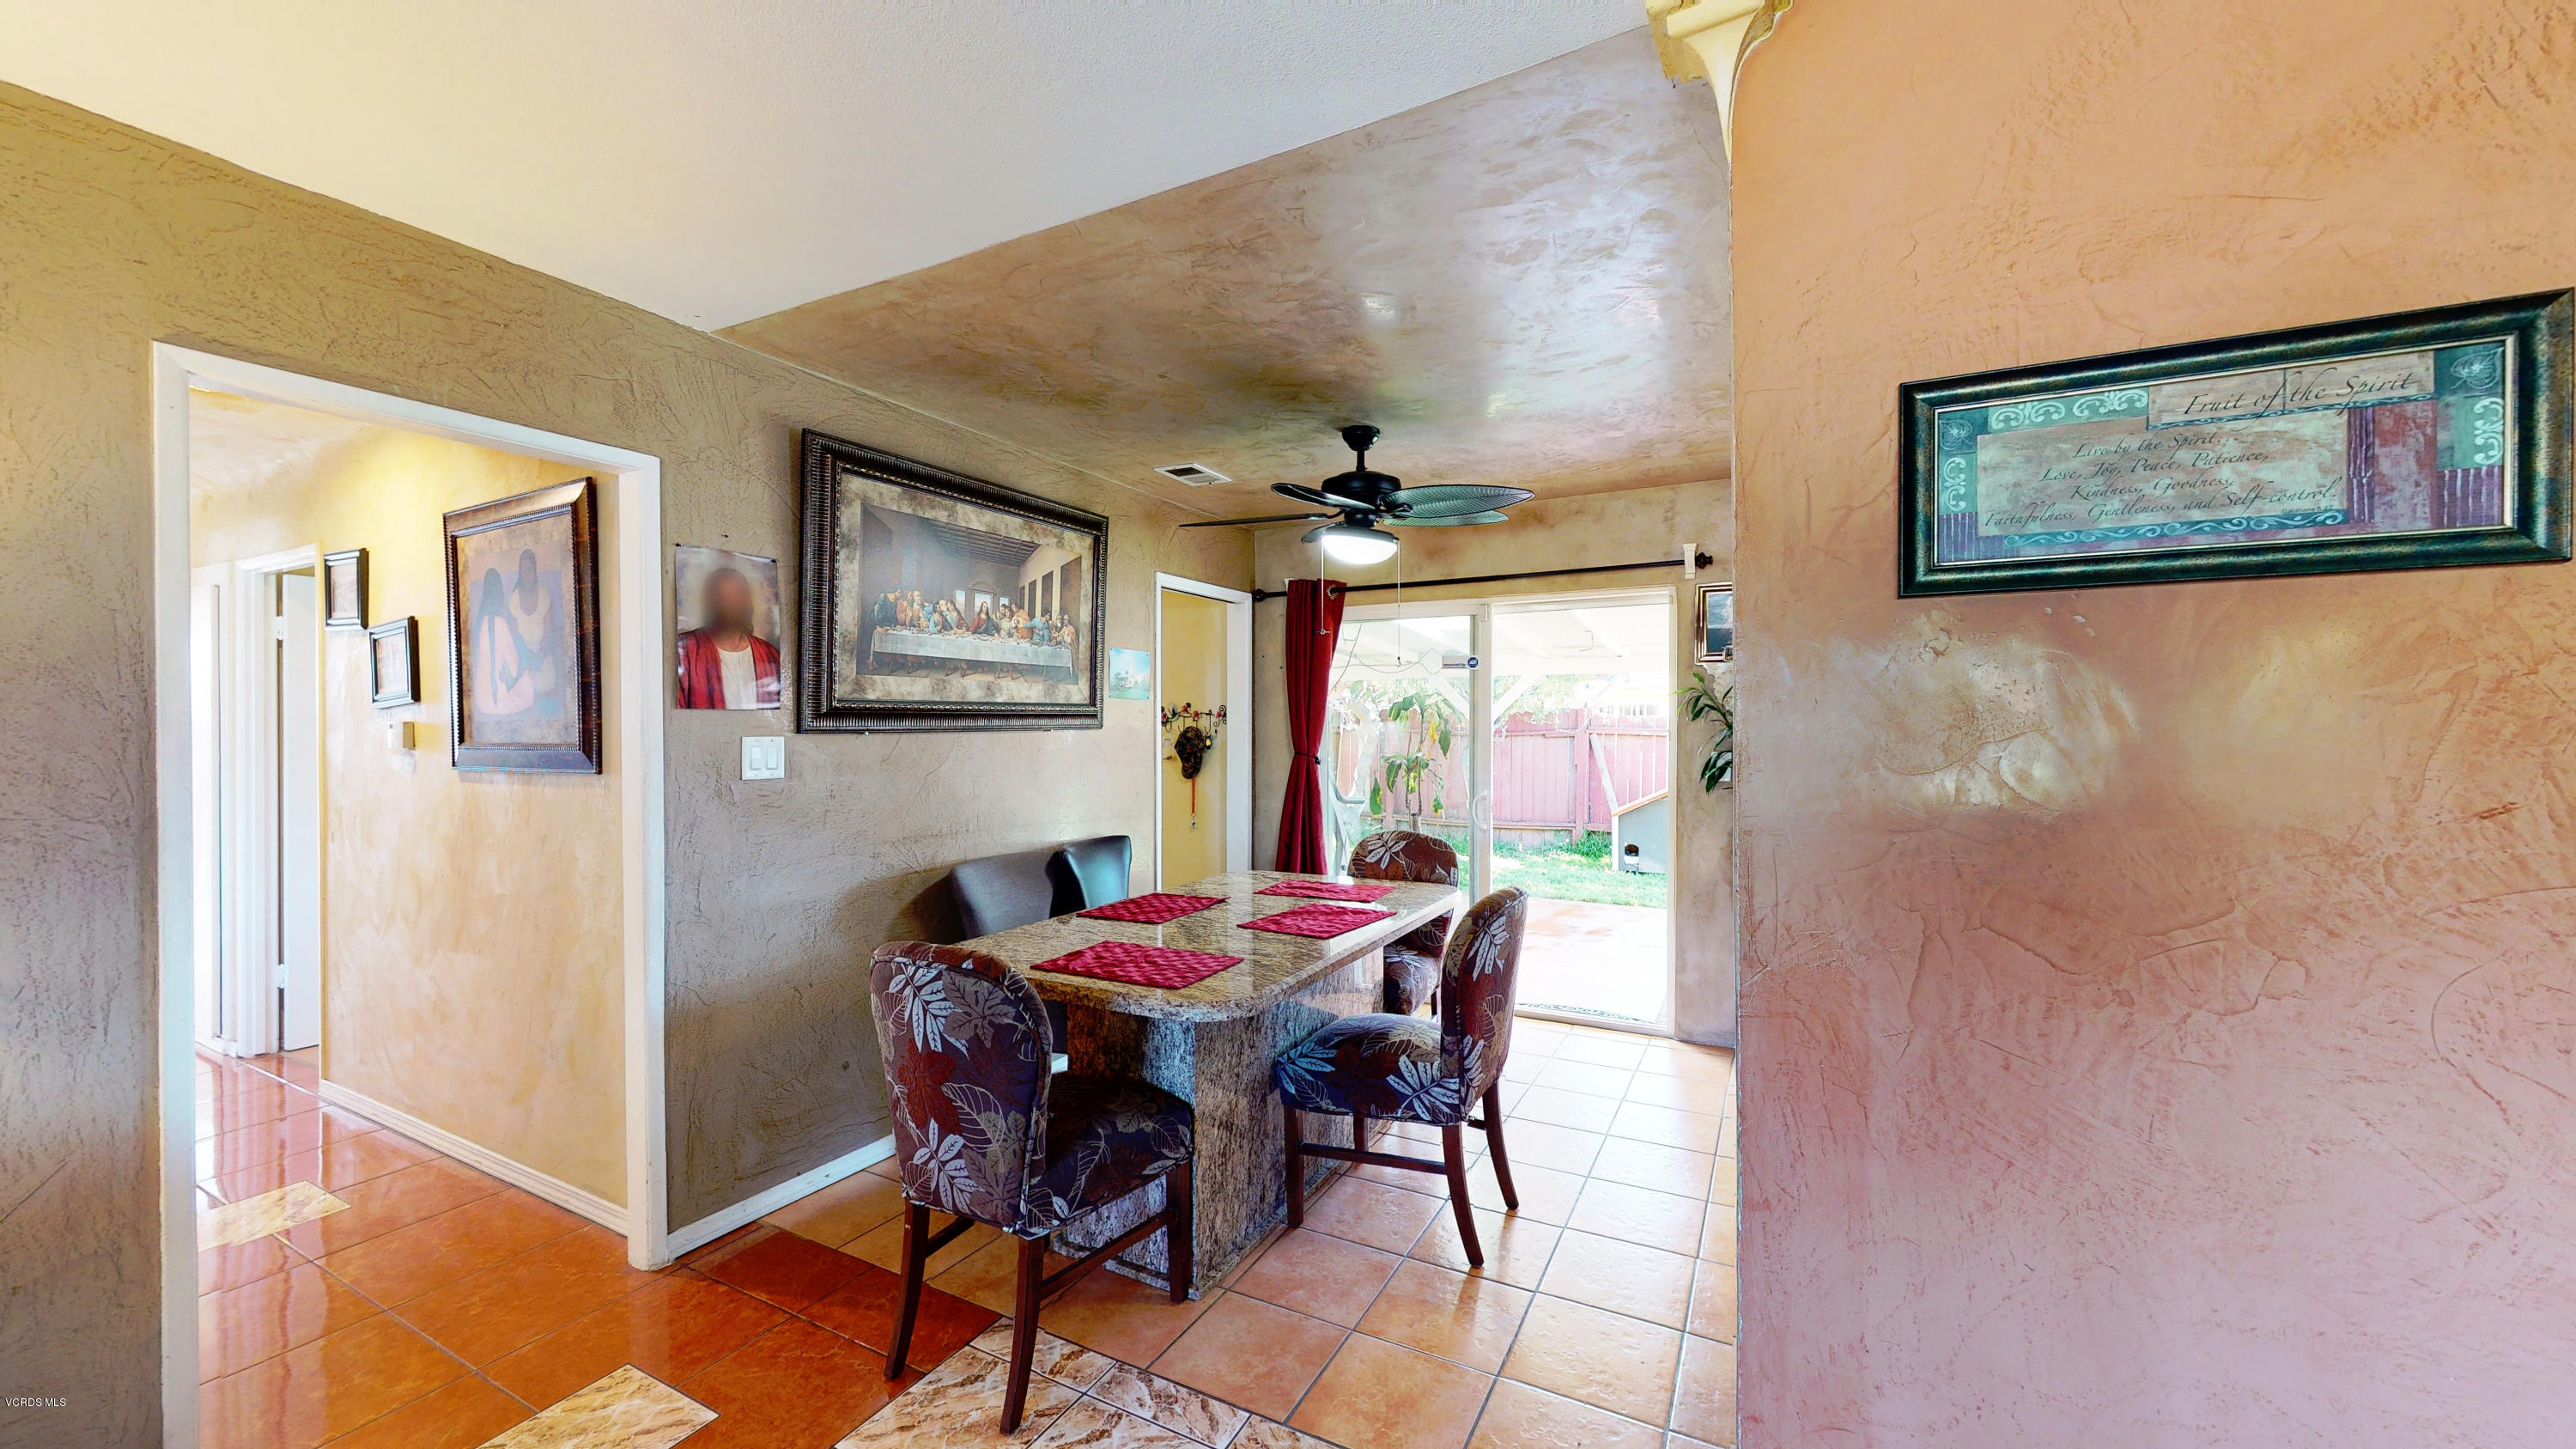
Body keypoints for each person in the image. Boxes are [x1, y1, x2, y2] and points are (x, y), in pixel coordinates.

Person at [676, 565, 781, 709]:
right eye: (725, 595)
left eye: (739, 594)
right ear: (712, 601)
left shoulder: (770, 655)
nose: (733, 602)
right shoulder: (686, 651)